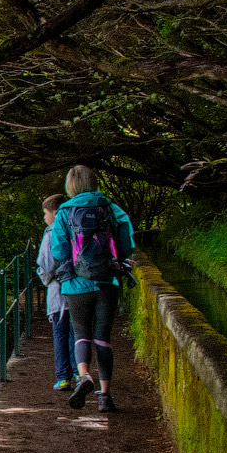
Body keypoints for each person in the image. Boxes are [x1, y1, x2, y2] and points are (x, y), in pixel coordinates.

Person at [45, 165, 136, 412]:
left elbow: (59, 251)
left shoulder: (64, 211)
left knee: (81, 333)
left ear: (70, 186)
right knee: (103, 338)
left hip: (75, 284)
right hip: (107, 281)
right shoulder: (110, 207)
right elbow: (127, 244)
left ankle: (84, 375)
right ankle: (105, 397)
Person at [34, 194, 74, 391]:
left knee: (60, 334)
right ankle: (80, 373)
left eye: (45, 213)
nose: (44, 218)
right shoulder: (76, 228)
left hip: (59, 292)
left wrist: (46, 279)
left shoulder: (51, 233)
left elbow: (46, 265)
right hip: (78, 290)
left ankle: (63, 376)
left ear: (54, 213)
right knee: (77, 334)